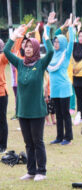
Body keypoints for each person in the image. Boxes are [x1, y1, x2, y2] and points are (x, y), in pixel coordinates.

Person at [3, 18, 54, 181]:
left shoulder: (40, 64)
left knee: (37, 141)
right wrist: (15, 36)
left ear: (36, 48)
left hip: (37, 111)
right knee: (28, 143)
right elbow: (6, 51)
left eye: (31, 46)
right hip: (23, 111)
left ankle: (42, 171)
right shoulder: (20, 63)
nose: (28, 48)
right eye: (26, 46)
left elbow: (51, 52)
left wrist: (45, 33)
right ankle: (31, 171)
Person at [46, 13, 77, 145]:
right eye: (55, 41)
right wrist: (48, 25)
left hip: (64, 88)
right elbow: (45, 41)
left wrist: (70, 27)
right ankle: (59, 137)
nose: (56, 43)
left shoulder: (66, 53)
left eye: (58, 41)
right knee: (58, 114)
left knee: (65, 114)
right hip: (54, 89)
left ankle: (68, 138)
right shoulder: (52, 54)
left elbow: (71, 42)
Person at [0, 39, 8, 154]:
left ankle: (3, 145)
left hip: (1, 93)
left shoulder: (1, 58)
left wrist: (18, 36)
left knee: (1, 120)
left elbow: (8, 52)